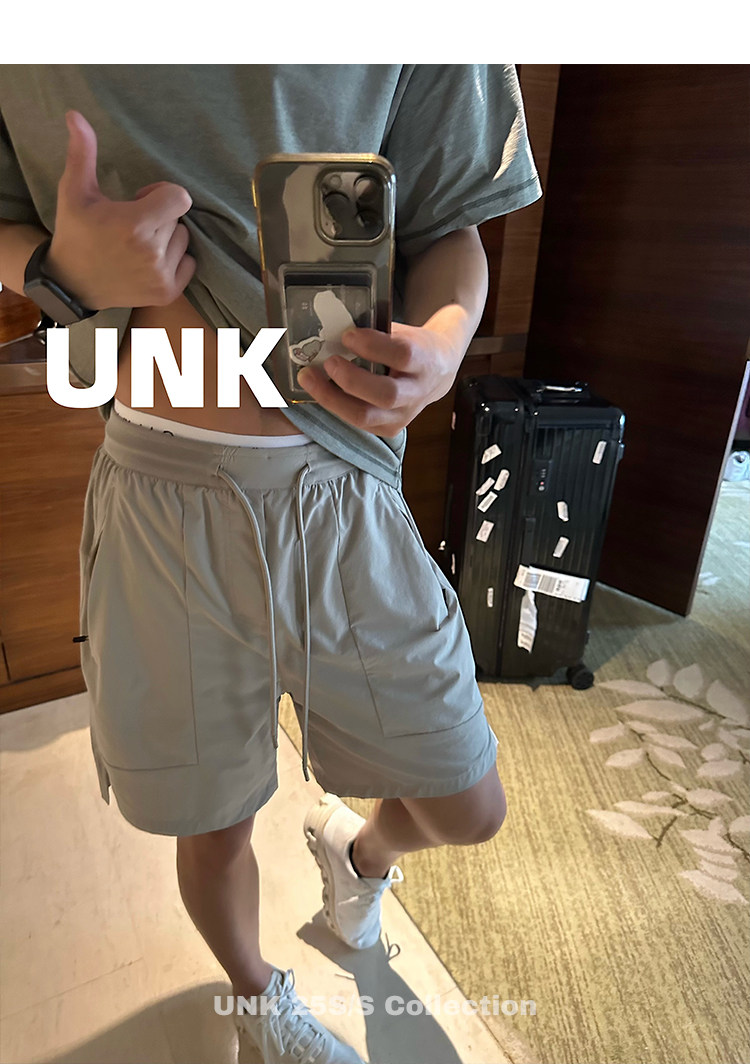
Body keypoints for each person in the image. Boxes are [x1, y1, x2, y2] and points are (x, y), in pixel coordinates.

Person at [0, 64, 542, 1064]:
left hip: (343, 484)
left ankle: (359, 851)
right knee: (211, 825)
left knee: (468, 805)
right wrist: (52, 267)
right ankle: (257, 1001)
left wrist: (445, 341)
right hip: (161, 495)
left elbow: (448, 224)